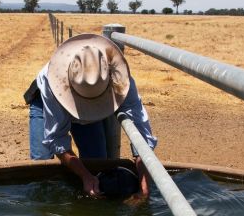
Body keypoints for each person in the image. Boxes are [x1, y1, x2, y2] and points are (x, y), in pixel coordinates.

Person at [25, 33, 157, 199]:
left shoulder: (122, 81)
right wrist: (85, 177)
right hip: (46, 105)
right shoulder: (51, 82)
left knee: (97, 165)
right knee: (41, 167)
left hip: (90, 116)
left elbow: (142, 135)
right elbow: (56, 138)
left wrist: (144, 183)